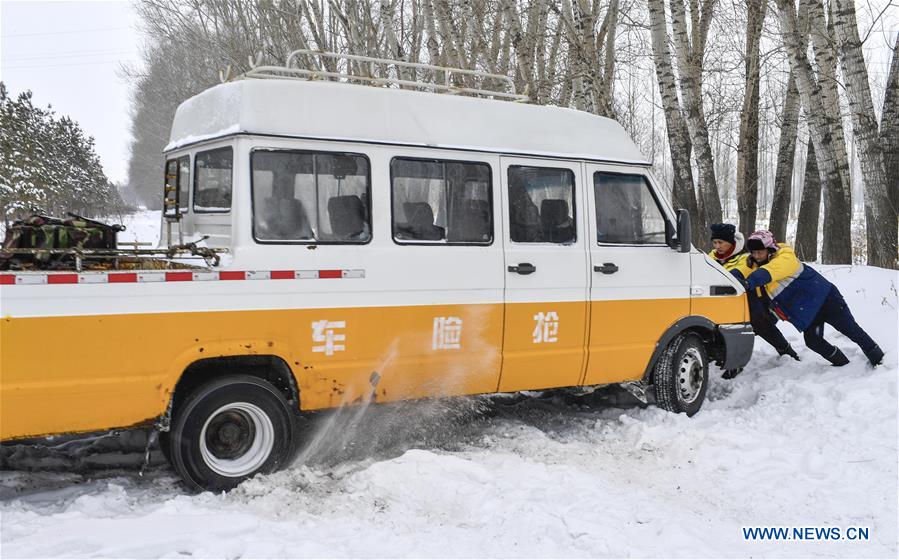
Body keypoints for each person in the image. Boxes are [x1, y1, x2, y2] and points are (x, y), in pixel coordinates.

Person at [734, 230, 883, 367]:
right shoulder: (754, 263)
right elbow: (740, 271)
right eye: (754, 253)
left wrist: (748, 282)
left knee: (852, 330)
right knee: (813, 342)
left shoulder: (785, 257)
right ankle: (842, 364)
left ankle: (879, 360)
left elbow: (770, 271)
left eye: (760, 252)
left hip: (827, 300)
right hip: (809, 312)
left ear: (770, 249)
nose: (757, 256)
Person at [709, 224, 798, 379]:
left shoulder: (744, 257)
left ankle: (785, 350)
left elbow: (741, 274)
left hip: (752, 299)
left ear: (731, 242)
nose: (717, 246)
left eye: (721, 242)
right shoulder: (712, 257)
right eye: (715, 242)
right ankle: (728, 361)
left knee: (761, 327)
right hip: (721, 303)